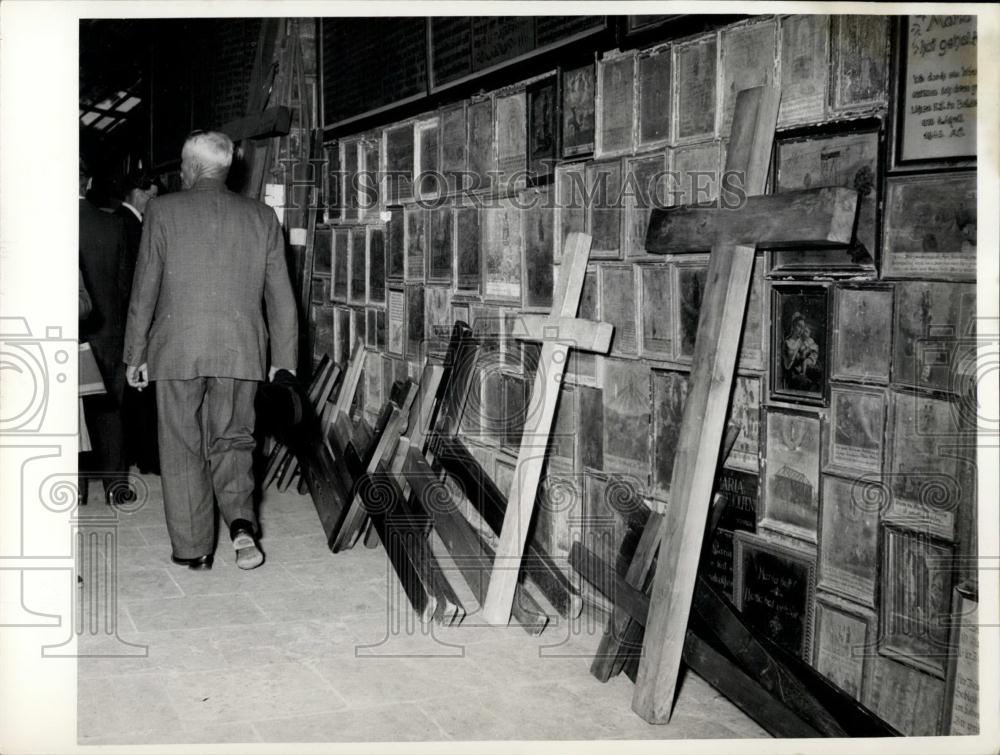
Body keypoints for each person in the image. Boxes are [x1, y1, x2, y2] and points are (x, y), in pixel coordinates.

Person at [123, 131, 298, 571]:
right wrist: (284, 362)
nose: (180, 171)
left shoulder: (161, 211)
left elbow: (144, 290)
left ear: (192, 168)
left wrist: (135, 353)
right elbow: (281, 298)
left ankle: (194, 548)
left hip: (176, 349)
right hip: (241, 350)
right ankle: (241, 523)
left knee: (181, 446)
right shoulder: (262, 216)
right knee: (234, 438)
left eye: (182, 164)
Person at [79, 158, 131, 505]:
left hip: (68, 333)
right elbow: (125, 286)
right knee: (110, 409)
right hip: (109, 332)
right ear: (89, 181)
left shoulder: (41, 224)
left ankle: (75, 487)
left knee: (69, 412)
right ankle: (115, 485)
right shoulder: (113, 226)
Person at [116, 170, 162, 475]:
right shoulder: (133, 227)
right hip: (133, 323)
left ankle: (134, 454)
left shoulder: (119, 220)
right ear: (140, 193)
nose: (155, 203)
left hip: (122, 322)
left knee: (131, 396)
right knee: (141, 396)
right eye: (153, 196)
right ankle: (147, 458)